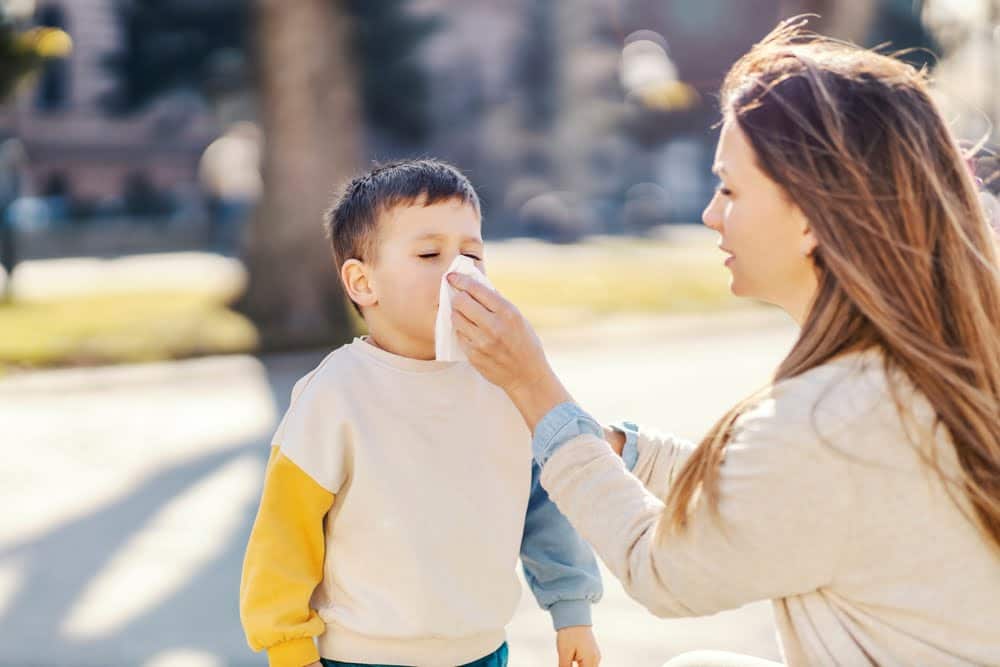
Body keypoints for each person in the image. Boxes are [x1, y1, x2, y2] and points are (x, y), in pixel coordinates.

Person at [445, 19, 1000, 667]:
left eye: (731, 189)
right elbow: (769, 495)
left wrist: (532, 388)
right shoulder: (926, 364)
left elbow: (661, 569)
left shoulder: (827, 420)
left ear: (812, 213)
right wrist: (615, 446)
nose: (711, 213)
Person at [239, 159, 603, 667]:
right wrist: (288, 648)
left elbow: (543, 503)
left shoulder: (504, 377)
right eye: (430, 253)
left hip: (480, 649)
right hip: (364, 656)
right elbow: (284, 535)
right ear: (363, 283)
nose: (460, 271)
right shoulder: (336, 394)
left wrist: (571, 609)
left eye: (472, 253)